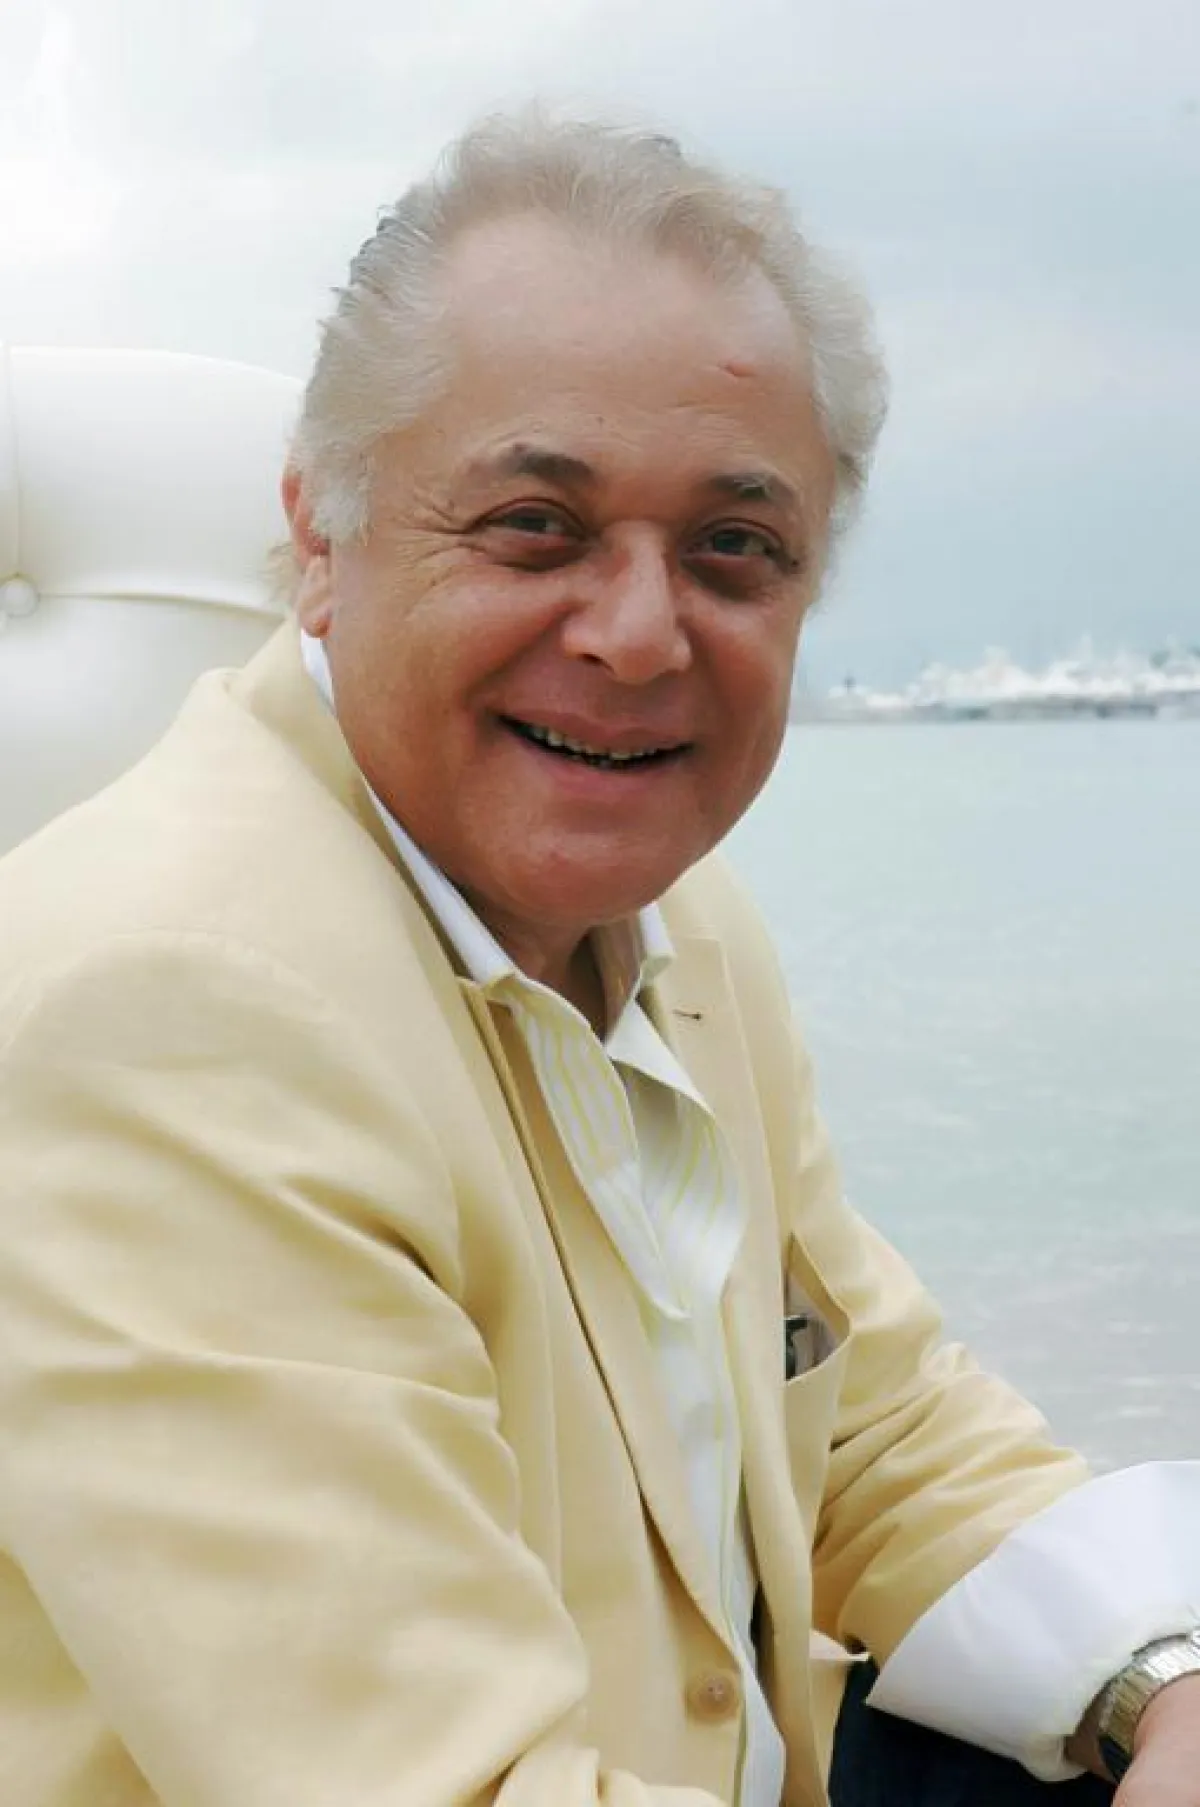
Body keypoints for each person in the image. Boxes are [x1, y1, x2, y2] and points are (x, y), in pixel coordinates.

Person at [0, 112, 1196, 1807]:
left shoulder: (681, 920)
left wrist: (1159, 1672)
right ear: (319, 540)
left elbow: (860, 1409)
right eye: (534, 526)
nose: (639, 637)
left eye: (732, 549)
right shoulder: (163, 1019)